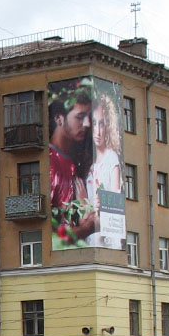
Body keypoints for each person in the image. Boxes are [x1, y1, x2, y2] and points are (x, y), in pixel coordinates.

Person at [49, 83, 97, 245]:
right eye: (80, 117)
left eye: (89, 117)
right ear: (59, 119)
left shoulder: (74, 162)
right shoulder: (49, 164)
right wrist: (86, 228)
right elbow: (49, 239)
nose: (87, 124)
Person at [85, 94, 123, 249]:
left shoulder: (112, 160)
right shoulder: (91, 164)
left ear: (109, 125)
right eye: (94, 123)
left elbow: (116, 204)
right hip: (92, 238)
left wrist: (102, 205)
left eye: (102, 124)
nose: (98, 131)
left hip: (107, 240)